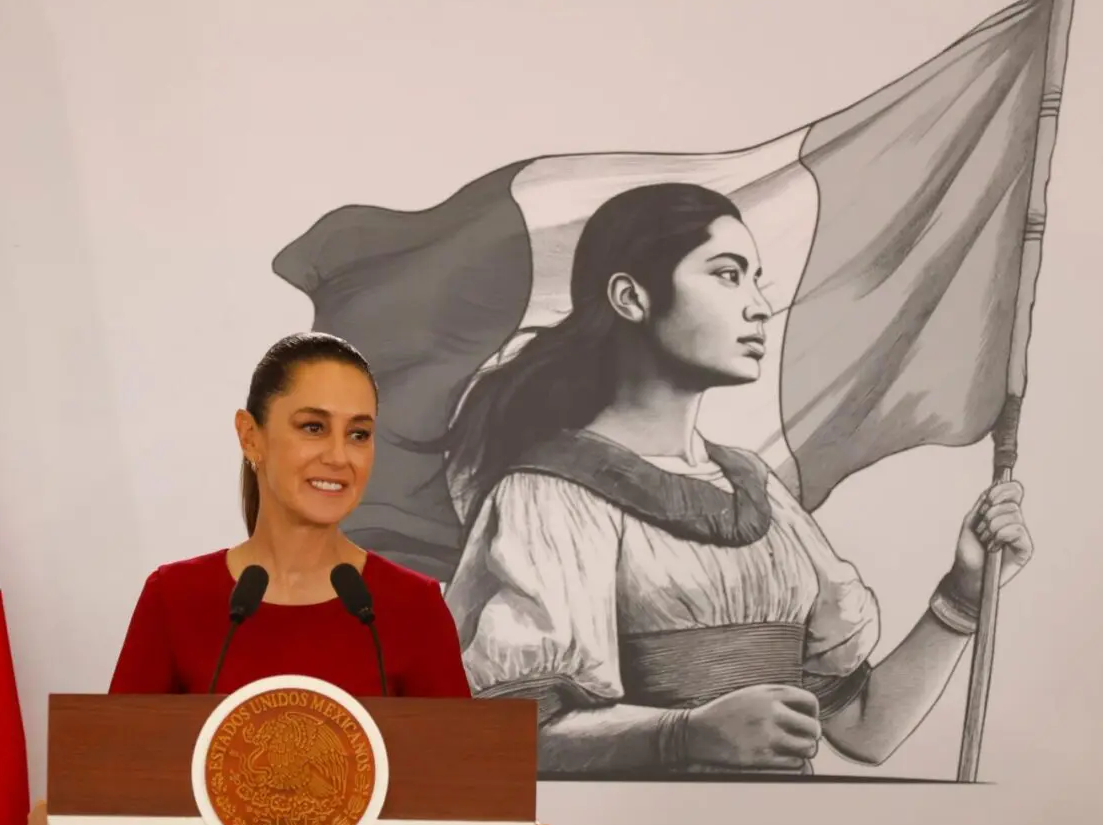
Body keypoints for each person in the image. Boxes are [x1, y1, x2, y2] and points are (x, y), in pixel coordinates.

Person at [434, 182, 1033, 775]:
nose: (758, 304)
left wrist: (964, 595)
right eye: (727, 274)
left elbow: (863, 729)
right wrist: (685, 735)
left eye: (754, 277)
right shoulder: (551, 495)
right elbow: (500, 737)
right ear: (630, 297)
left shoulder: (760, 490)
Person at [27, 332, 564, 825]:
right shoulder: (175, 597)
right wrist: (65, 817)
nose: (339, 455)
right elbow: (118, 790)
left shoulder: (410, 606)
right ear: (250, 436)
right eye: (313, 427)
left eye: (358, 434)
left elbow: (463, 800)